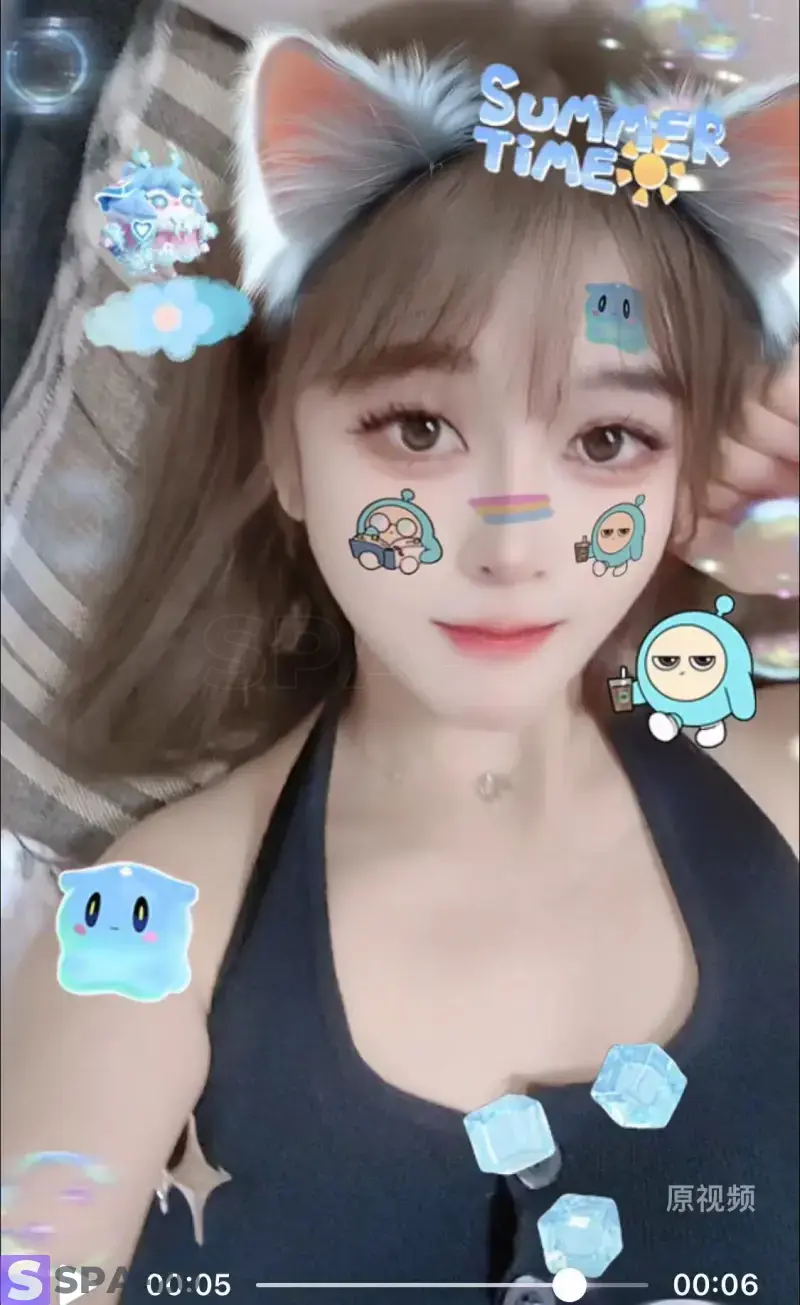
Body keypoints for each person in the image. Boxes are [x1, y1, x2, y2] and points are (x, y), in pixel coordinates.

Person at [2, 4, 798, 1303]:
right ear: (284, 449)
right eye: (420, 428)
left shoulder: (781, 775)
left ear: (685, 480)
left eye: (608, 442)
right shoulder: (151, 925)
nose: (510, 548)